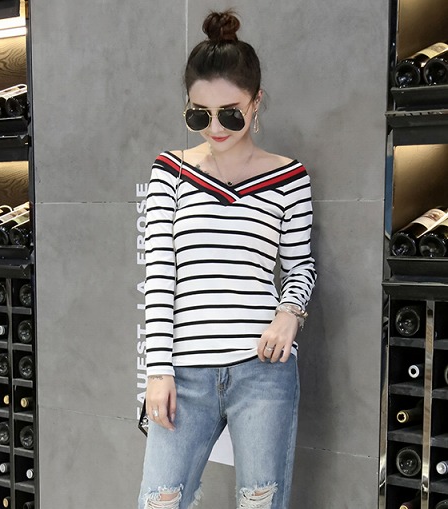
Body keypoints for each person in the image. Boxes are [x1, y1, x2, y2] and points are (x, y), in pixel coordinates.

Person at [139, 9, 316, 509]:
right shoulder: (170, 172)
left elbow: (300, 266)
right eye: (200, 114)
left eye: (231, 113)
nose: (215, 127)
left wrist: (289, 313)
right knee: (159, 500)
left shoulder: (289, 178)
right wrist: (158, 371)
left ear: (256, 102)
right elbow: (160, 274)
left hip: (263, 370)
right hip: (184, 372)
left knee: (261, 503)